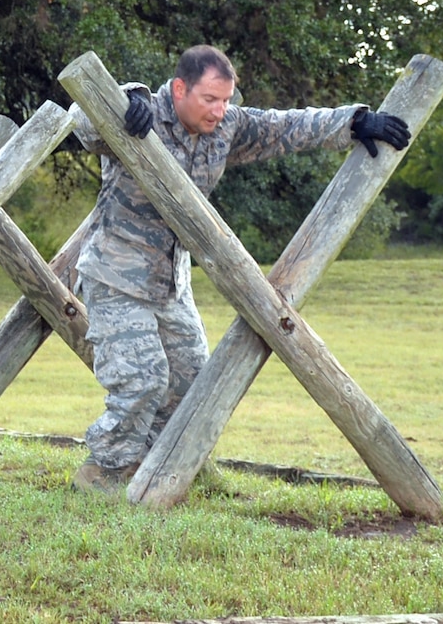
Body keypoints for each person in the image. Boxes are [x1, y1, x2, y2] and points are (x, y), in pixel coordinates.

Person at [70, 44, 413, 493]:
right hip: (115, 277)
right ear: (179, 89)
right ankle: (105, 474)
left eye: (226, 99)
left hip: (171, 283)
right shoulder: (140, 113)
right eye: (209, 99)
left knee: (193, 384)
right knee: (142, 381)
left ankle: (159, 471)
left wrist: (354, 122)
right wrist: (127, 97)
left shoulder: (226, 126)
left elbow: (286, 126)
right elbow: (82, 121)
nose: (219, 109)